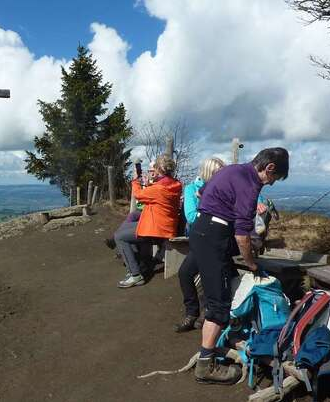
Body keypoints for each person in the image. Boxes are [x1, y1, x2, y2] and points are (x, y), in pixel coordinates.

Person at [190, 147, 289, 385]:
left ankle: (222, 339)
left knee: (225, 286)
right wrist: (252, 263)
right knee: (219, 304)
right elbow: (242, 235)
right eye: (274, 178)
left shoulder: (233, 170)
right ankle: (206, 365)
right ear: (270, 168)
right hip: (215, 235)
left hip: (202, 230)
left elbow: (202, 193)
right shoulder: (250, 182)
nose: (271, 184)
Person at [114, 155, 182, 288]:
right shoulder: (174, 184)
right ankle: (139, 263)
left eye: (155, 168)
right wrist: (149, 183)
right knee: (126, 227)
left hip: (157, 229)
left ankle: (135, 275)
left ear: (160, 170)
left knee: (120, 237)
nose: (153, 171)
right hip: (163, 225)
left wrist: (135, 180)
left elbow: (138, 195)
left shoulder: (158, 189)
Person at [174, 157, 226, 332]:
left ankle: (207, 313)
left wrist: (260, 203)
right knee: (184, 273)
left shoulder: (223, 189)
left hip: (217, 240)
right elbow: (190, 215)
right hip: (200, 239)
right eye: (217, 174)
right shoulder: (191, 189)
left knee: (207, 276)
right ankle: (192, 312)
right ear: (208, 173)